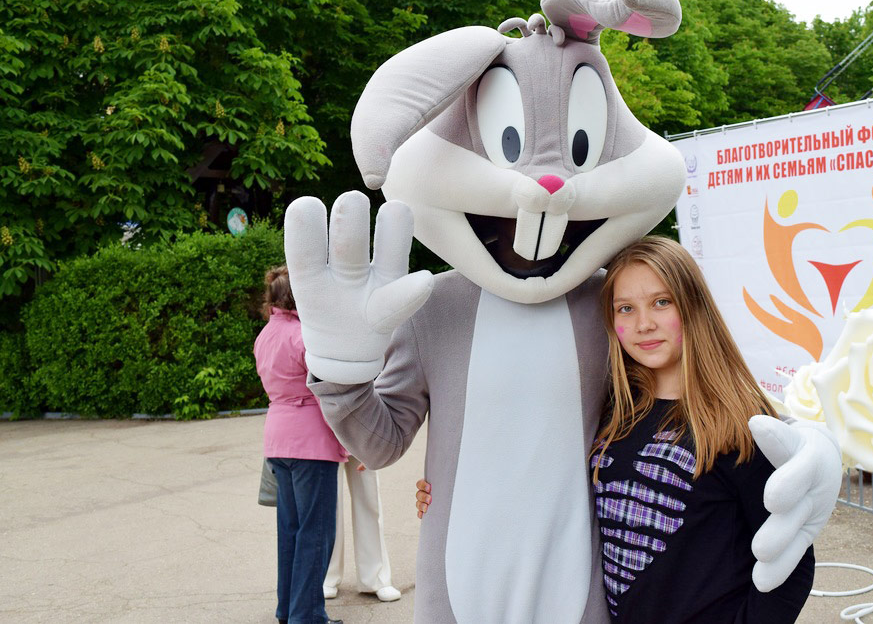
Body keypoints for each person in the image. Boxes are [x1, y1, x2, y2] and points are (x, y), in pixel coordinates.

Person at [417, 237, 814, 622]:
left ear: (693, 305)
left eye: (661, 302)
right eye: (626, 308)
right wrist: (447, 490)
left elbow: (792, 560)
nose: (644, 324)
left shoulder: (738, 421)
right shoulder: (617, 412)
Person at [255, 266, 345, 624]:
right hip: (311, 441)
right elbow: (329, 388)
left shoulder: (265, 336)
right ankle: (306, 615)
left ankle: (288, 609)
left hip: (278, 439)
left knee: (290, 530)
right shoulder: (305, 337)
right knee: (316, 531)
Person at [322, 459, 402, 603]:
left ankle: (376, 577)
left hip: (364, 444)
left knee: (369, 495)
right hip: (327, 443)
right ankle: (327, 575)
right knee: (330, 498)